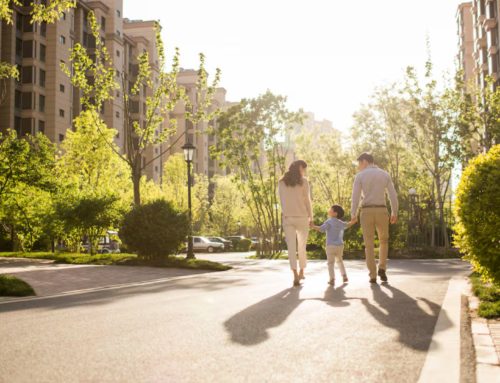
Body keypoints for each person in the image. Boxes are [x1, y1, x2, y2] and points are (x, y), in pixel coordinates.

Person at [351, 153, 398, 284]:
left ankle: (372, 275)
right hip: (382, 210)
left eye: (359, 164)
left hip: (366, 212)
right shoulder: (384, 174)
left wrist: (353, 214)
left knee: (369, 244)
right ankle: (382, 268)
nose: (359, 167)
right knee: (384, 241)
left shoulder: (360, 176)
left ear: (365, 161)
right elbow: (392, 195)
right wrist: (394, 211)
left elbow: (355, 197)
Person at [278, 160, 313, 286]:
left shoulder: (281, 182)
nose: (304, 171)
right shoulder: (303, 181)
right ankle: (301, 272)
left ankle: (295, 275)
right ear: (299, 167)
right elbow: (307, 201)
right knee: (302, 246)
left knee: (291, 248)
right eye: (303, 168)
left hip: (288, 218)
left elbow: (281, 200)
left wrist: (286, 213)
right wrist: (311, 217)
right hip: (302, 217)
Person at [310, 204, 355, 286]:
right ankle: (344, 276)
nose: (329, 210)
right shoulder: (340, 223)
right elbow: (347, 224)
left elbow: (321, 229)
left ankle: (332, 279)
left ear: (335, 213)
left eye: (331, 209)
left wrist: (313, 226)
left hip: (330, 246)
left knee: (330, 263)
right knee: (340, 261)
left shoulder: (329, 222)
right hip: (340, 246)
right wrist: (353, 221)